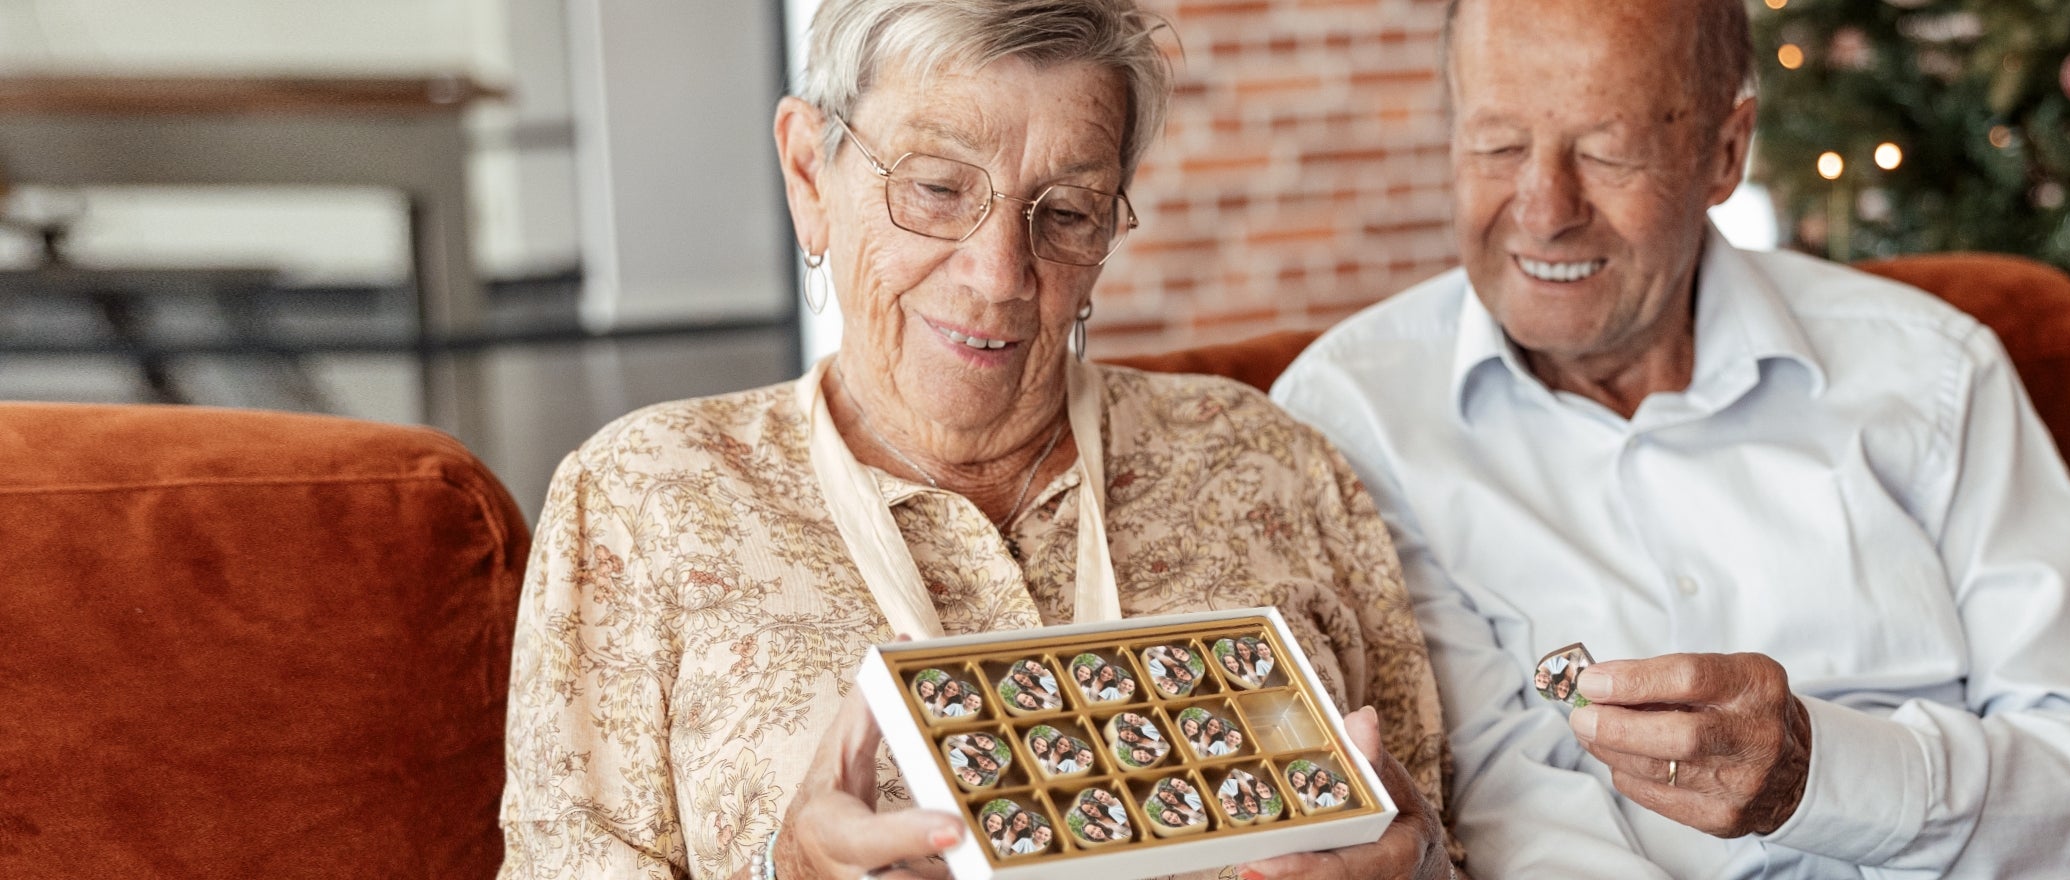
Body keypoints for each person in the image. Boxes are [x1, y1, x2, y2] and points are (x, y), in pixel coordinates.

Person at [493, 1, 1454, 877]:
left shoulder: (1269, 460)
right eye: (939, 188)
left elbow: (1436, 835)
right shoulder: (644, 497)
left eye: (1067, 212)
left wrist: (1414, 865)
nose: (999, 275)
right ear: (807, 174)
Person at [1268, 0, 2070, 875]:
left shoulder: (1936, 375)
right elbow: (1496, 805)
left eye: (1609, 151)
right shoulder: (1352, 417)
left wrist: (1820, 774)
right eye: (1497, 145)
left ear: (1725, 152)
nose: (1544, 209)